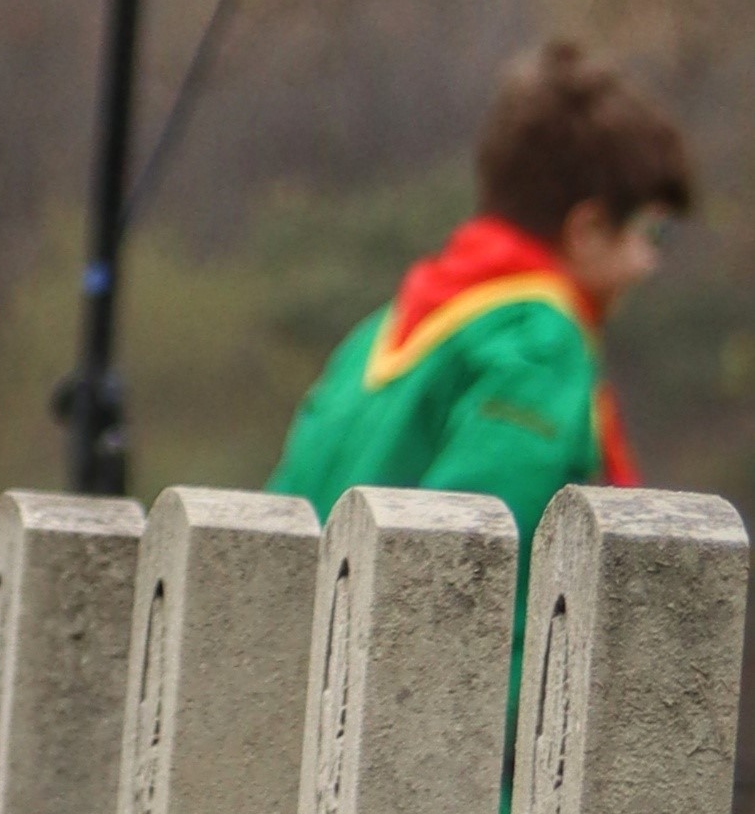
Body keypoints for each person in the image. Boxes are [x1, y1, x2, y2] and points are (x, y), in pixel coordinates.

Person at [272, 36, 691, 691]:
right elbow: (470, 578)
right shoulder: (538, 340)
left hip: (312, 720)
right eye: (650, 234)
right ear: (585, 229)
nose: (650, 264)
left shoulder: (382, 327)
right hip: (444, 759)